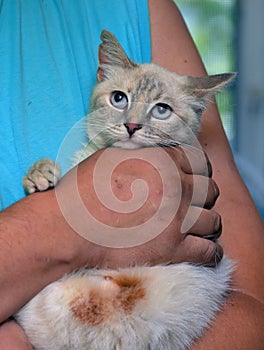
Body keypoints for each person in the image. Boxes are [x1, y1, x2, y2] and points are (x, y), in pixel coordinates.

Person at [0, 1, 263, 349]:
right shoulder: (78, 161)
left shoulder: (140, 7)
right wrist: (60, 224)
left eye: (162, 109)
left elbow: (250, 301)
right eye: (120, 98)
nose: (133, 123)